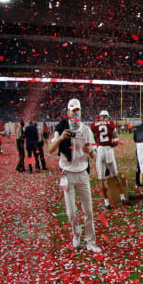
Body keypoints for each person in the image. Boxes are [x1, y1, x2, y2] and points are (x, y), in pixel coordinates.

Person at [48, 98, 101, 253]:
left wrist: (89, 151)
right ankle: (76, 233)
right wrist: (60, 138)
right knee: (71, 212)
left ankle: (91, 241)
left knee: (88, 211)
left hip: (82, 173)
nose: (75, 114)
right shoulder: (61, 128)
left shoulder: (86, 130)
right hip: (67, 173)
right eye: (73, 111)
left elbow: (94, 154)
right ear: (68, 112)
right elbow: (50, 150)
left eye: (78, 111)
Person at [90, 110, 127, 208]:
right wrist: (112, 144)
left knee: (101, 179)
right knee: (115, 176)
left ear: (100, 117)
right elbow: (116, 140)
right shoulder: (110, 124)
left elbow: (92, 136)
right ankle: (122, 197)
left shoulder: (95, 124)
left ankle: (106, 203)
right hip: (109, 150)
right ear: (107, 117)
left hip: (100, 150)